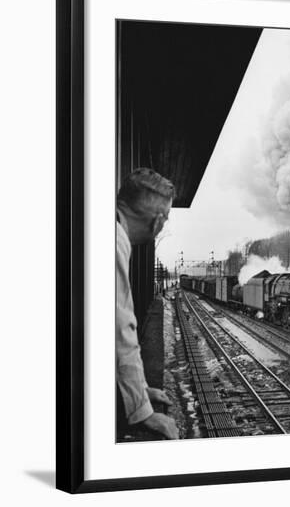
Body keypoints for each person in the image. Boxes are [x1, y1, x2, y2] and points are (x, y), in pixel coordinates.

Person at [116, 167, 179, 440]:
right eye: (166, 217)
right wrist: (143, 411)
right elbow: (120, 331)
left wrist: (142, 389)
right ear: (157, 222)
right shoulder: (113, 242)